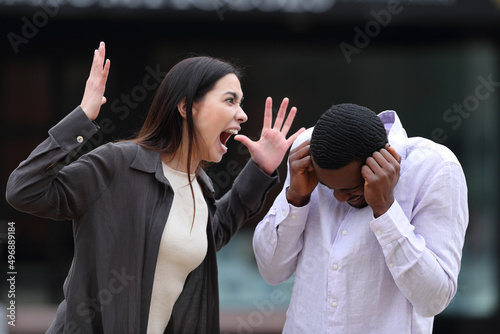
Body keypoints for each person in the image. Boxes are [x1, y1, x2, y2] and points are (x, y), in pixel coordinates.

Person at [6, 42, 304, 334]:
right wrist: (82, 117)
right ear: (187, 106)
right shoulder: (119, 164)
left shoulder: (200, 184)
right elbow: (24, 189)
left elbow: (213, 233)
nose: (242, 115)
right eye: (230, 100)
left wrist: (261, 169)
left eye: (240, 102)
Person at [253, 103, 468, 333]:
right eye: (328, 187)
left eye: (351, 189)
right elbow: (272, 272)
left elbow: (434, 299)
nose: (338, 196)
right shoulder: (308, 154)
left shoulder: (435, 170)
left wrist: (386, 210)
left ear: (379, 164)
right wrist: (295, 198)